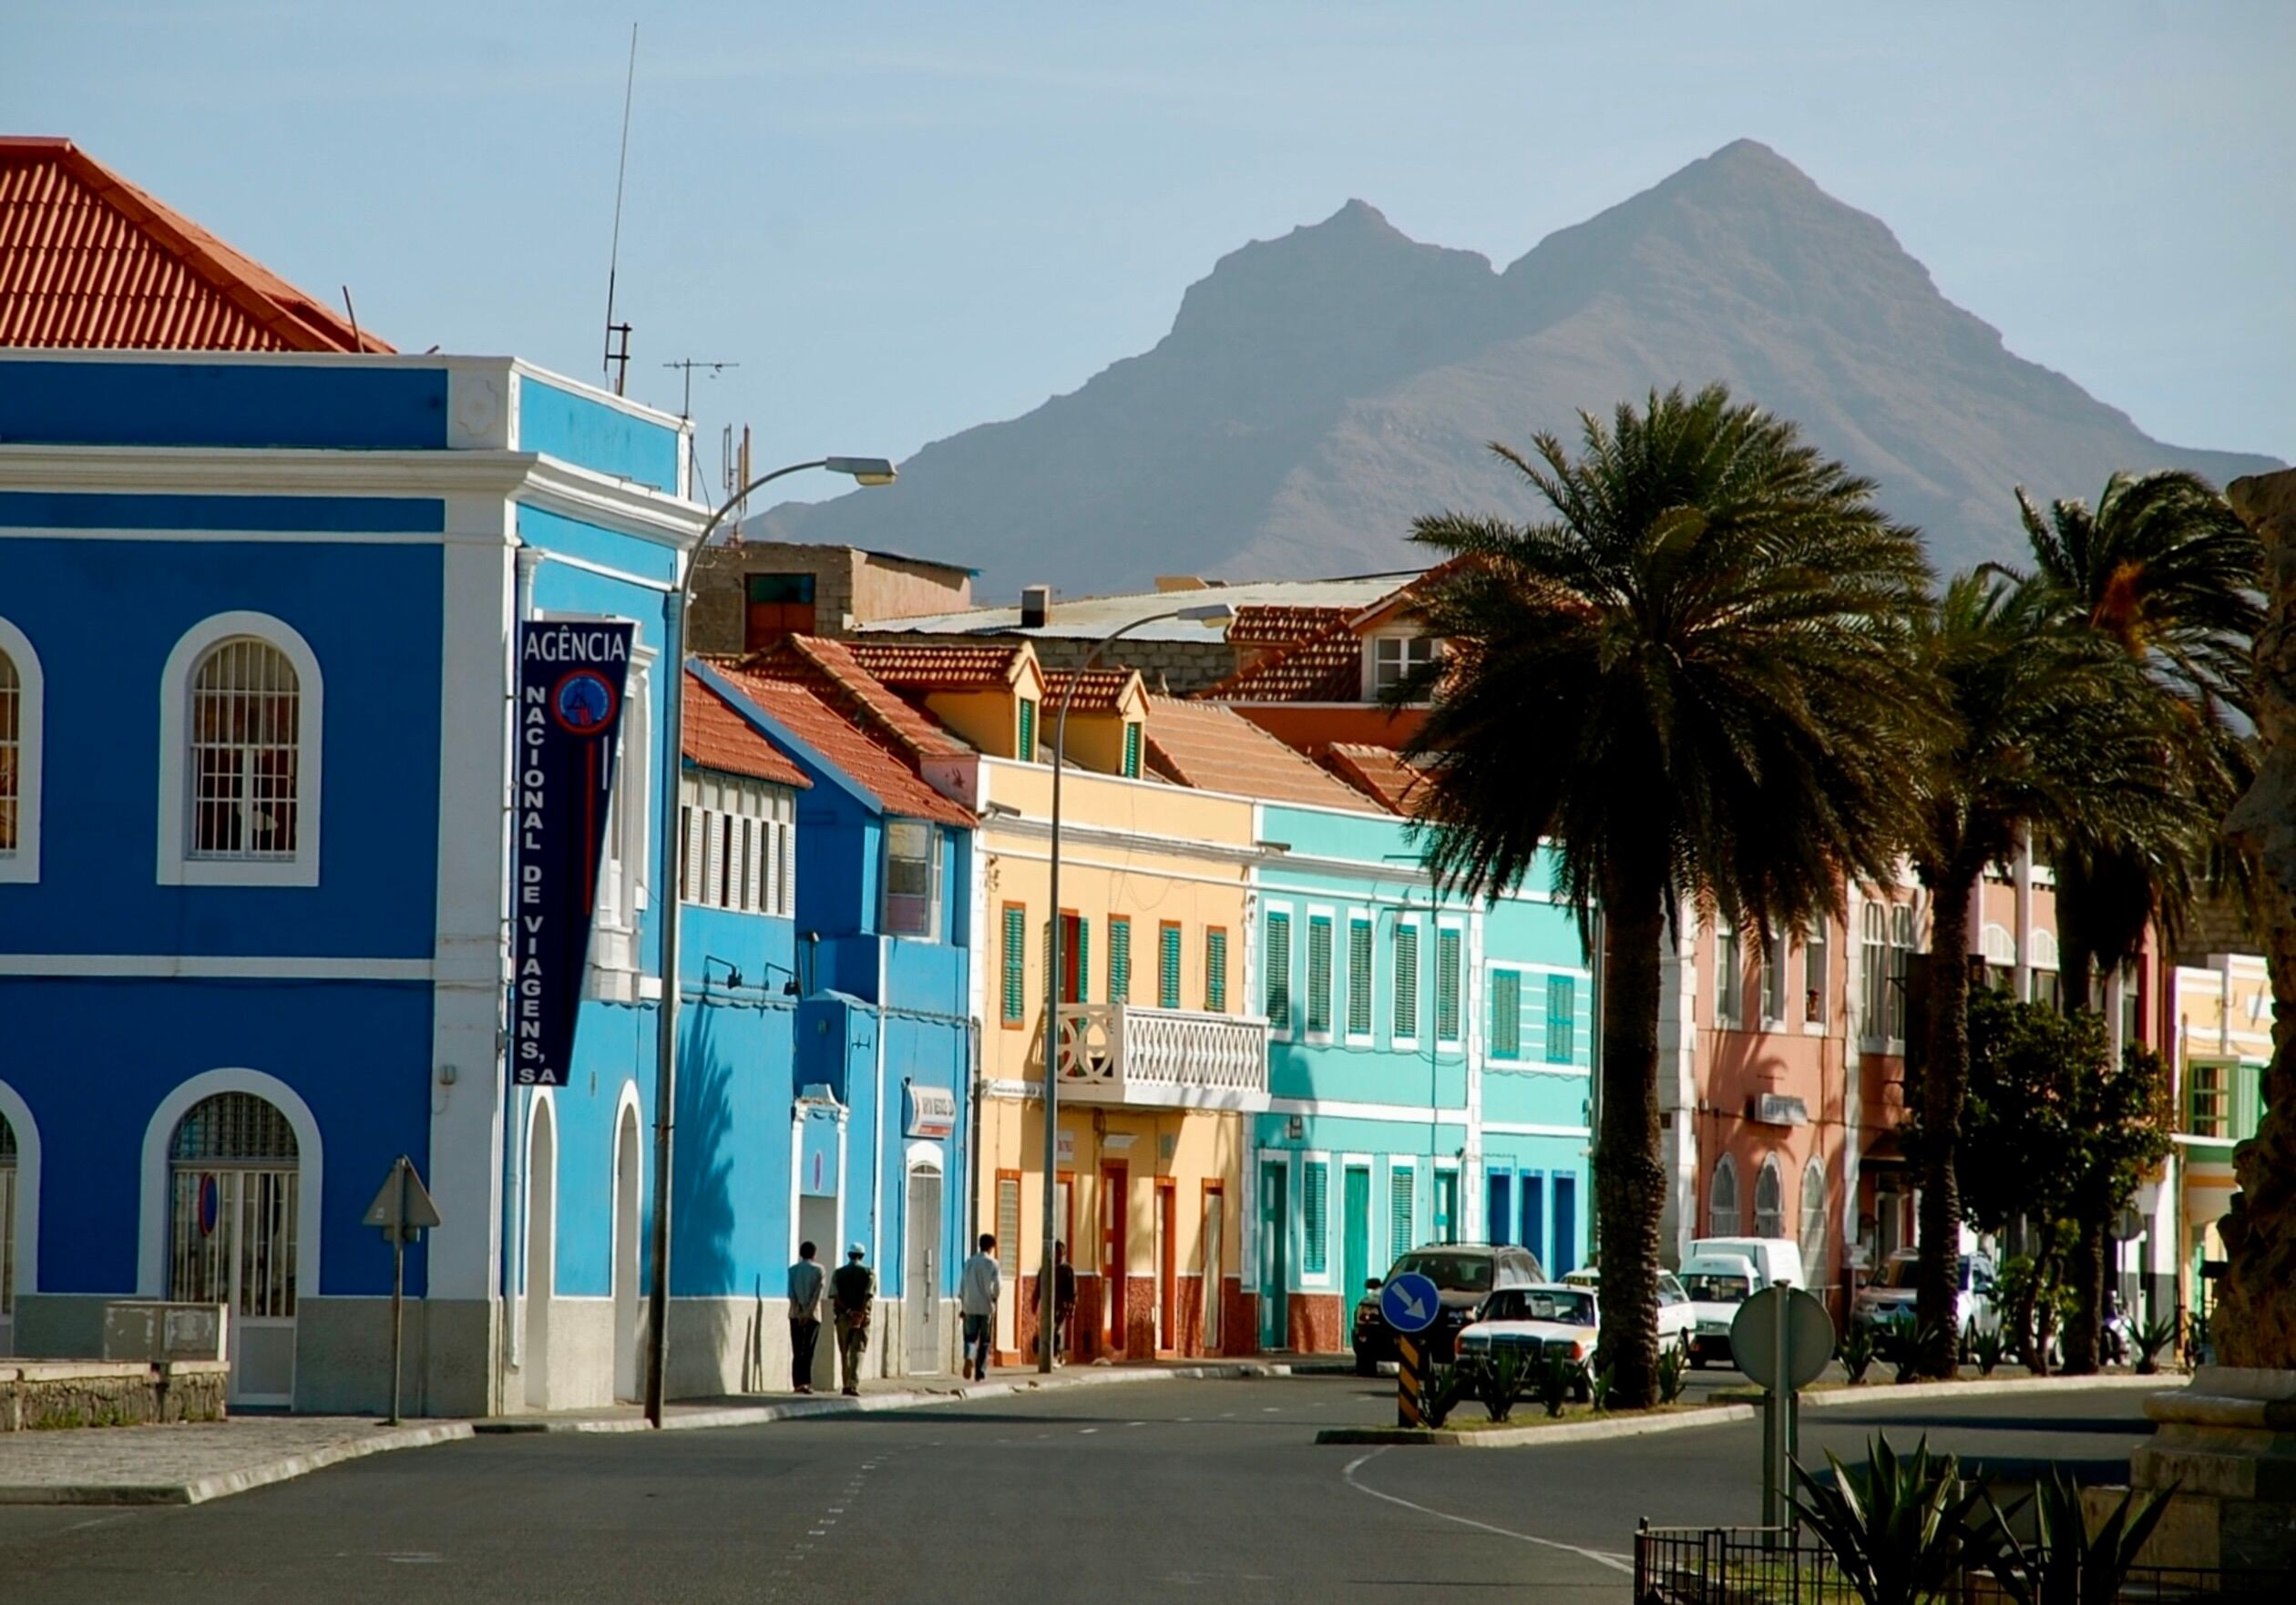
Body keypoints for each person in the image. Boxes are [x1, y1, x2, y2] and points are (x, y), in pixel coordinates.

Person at [831, 1242, 876, 1397]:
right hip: (862, 1318)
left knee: (845, 1351)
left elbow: (835, 1296)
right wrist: (860, 1314)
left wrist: (849, 1311)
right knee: (858, 1350)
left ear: (848, 1255)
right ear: (862, 1256)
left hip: (843, 1317)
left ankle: (845, 1383)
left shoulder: (838, 1273)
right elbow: (868, 1295)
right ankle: (853, 1383)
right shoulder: (869, 1273)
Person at [958, 1233, 1000, 1382]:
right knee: (985, 1340)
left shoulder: (969, 1263)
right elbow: (997, 1286)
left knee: (970, 1337)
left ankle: (969, 1356)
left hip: (970, 1305)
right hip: (986, 1306)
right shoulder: (993, 1264)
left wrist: (963, 1302)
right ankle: (980, 1372)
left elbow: (963, 1284)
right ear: (991, 1247)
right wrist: (994, 1298)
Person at [786, 1241, 825, 1394]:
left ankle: (797, 1383)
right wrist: (807, 1313)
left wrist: (799, 1311)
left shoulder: (793, 1270)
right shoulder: (819, 1270)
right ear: (814, 1254)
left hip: (795, 1314)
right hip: (813, 1316)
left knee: (797, 1349)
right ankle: (806, 1382)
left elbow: (791, 1293)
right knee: (808, 1350)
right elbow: (817, 1294)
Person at [1053, 1241, 1077, 1365]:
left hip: (1062, 1305)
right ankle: (1055, 1354)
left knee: (1057, 1329)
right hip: (1050, 1305)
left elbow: (1073, 1290)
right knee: (1050, 1329)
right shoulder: (1048, 1268)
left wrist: (1072, 1307)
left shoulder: (1068, 1269)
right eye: (1057, 1253)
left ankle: (1057, 1354)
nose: (1058, 1256)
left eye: (1061, 1253)